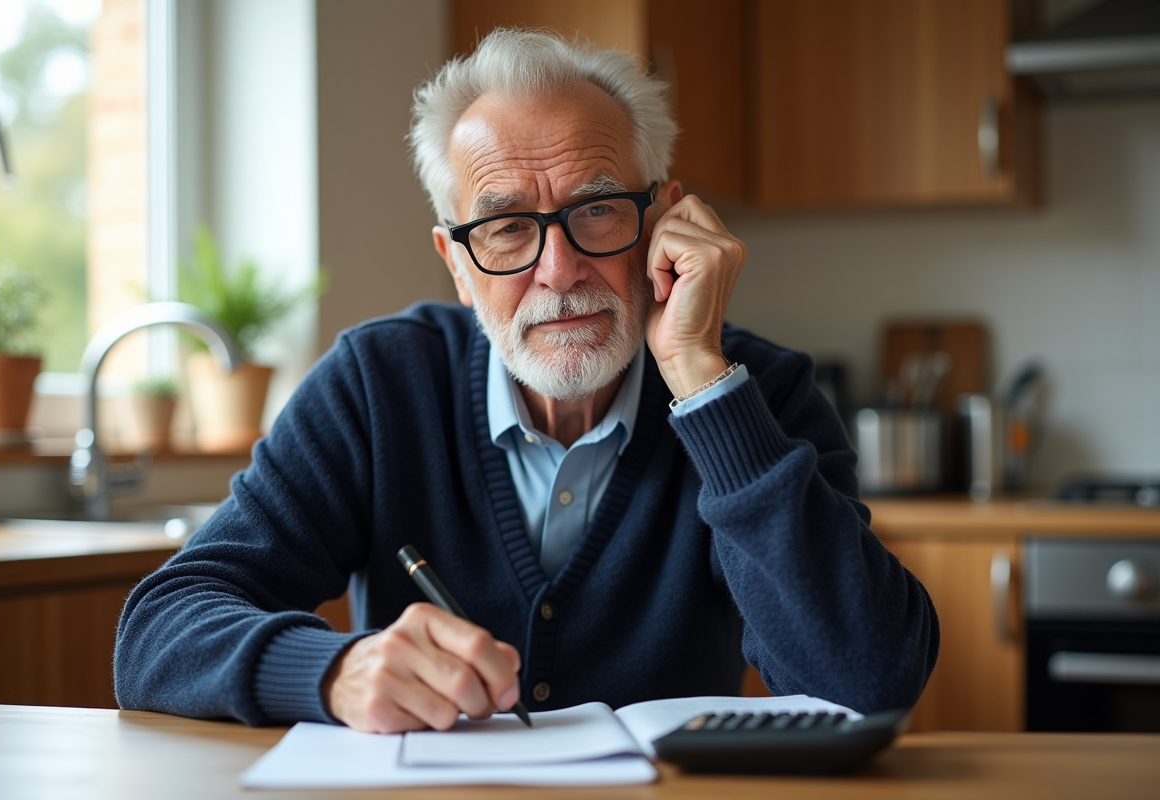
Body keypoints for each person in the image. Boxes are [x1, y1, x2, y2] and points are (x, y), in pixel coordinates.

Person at [114, 29, 939, 734]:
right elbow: (156, 632)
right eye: (507, 228)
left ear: (665, 221)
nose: (558, 268)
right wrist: (333, 674)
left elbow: (867, 681)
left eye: (599, 209)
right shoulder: (378, 385)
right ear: (458, 267)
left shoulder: (762, 396)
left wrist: (699, 377)